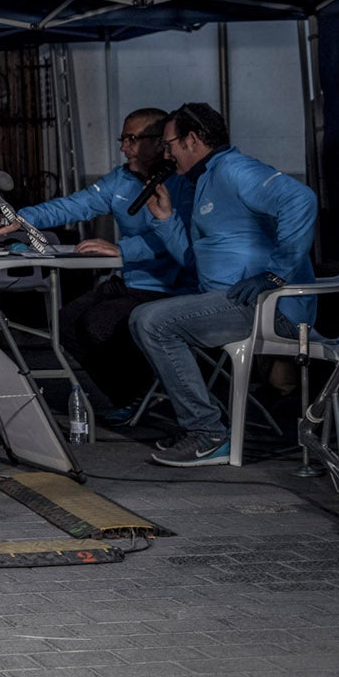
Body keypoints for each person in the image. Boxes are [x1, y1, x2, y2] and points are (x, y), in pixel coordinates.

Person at [130, 102, 319, 467]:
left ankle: (207, 433)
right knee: (144, 318)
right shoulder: (205, 180)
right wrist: (166, 220)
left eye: (169, 145)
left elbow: (301, 198)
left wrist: (276, 272)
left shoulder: (235, 169)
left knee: (151, 320)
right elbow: (191, 259)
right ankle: (204, 427)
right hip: (229, 302)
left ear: (193, 139)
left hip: (268, 307)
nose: (166, 154)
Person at [0, 108, 192, 423]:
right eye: (122, 139)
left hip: (172, 286)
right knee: (67, 322)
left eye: (132, 139)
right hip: (131, 281)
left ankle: (156, 391)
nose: (123, 148)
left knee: (98, 323)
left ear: (159, 142)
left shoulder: (183, 181)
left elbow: (180, 236)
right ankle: (131, 397)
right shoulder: (120, 180)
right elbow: (74, 205)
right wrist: (21, 219)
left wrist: (120, 248)